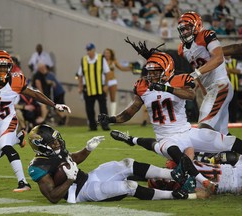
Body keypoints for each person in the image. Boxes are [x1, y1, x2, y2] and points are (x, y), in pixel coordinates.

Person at [98, 39, 242, 192]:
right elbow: (130, 112)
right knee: (176, 153)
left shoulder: (178, 80)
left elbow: (190, 95)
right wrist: (112, 119)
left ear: (166, 69)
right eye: (150, 72)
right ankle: (206, 183)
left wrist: (167, 88)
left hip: (187, 131)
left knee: (228, 142)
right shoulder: (143, 87)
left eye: (156, 72)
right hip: (166, 138)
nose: (151, 75)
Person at [0, 50, 71, 192]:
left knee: (4, 144)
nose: (2, 70)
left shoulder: (16, 80)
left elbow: (34, 94)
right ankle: (18, 139)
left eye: (5, 66)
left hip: (8, 120)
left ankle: (23, 182)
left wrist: (54, 105)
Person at [27, 124, 198, 204]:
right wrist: (69, 180)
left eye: (57, 141)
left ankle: (174, 174)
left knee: (126, 163)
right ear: (41, 146)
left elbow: (72, 159)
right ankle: (174, 195)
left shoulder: (56, 151)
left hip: (88, 177)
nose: (57, 144)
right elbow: (53, 197)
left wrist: (87, 149)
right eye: (53, 143)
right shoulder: (38, 167)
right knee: (129, 186)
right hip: (80, 192)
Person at [177, 11, 233, 135]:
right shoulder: (182, 49)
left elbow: (218, 58)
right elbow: (195, 68)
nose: (185, 32)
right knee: (222, 135)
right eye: (182, 30)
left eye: (187, 28)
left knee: (204, 126)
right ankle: (236, 154)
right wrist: (202, 88)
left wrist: (196, 74)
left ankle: (202, 153)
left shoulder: (207, 35)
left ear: (196, 25)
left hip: (220, 85)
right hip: (211, 89)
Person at [77, 43, 111, 131]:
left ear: (94, 50)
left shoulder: (101, 58)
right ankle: (92, 126)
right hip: (88, 88)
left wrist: (106, 85)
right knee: (89, 109)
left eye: (90, 50)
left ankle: (105, 125)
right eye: (87, 50)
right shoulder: (84, 60)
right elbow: (80, 75)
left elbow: (107, 72)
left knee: (103, 108)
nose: (88, 52)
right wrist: (80, 87)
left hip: (100, 87)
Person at [103, 48, 132, 116]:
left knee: (112, 99)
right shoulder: (102, 61)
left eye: (108, 53)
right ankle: (104, 115)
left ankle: (112, 116)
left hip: (113, 81)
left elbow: (121, 68)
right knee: (104, 99)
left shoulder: (113, 61)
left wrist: (130, 68)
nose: (107, 54)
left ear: (111, 54)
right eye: (105, 53)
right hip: (105, 82)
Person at [225, 55, 242, 123]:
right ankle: (227, 121)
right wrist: (234, 70)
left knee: (234, 105)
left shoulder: (235, 61)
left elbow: (240, 71)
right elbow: (225, 71)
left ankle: (233, 121)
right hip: (226, 88)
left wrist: (229, 70)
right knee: (226, 105)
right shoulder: (222, 61)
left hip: (234, 87)